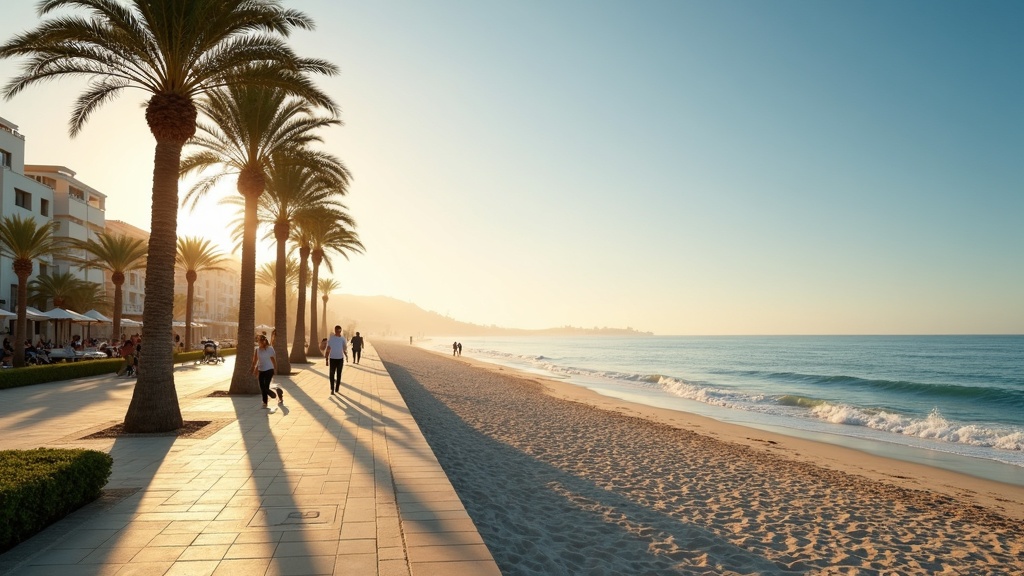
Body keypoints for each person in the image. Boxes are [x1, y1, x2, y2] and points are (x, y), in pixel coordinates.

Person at [251, 334, 278, 409]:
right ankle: (269, 395)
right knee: (262, 387)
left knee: (266, 386)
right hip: (261, 370)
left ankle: (265, 402)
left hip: (269, 369)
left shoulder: (270, 349)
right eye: (259, 342)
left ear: (265, 342)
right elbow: (255, 361)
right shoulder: (257, 350)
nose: (259, 343)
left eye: (261, 342)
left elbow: (273, 360)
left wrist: (275, 369)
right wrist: (254, 369)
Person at [324, 325, 348, 395]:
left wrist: (346, 355)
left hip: (340, 359)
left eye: (339, 331)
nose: (338, 332)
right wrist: (326, 359)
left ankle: (337, 388)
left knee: (339, 374)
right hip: (332, 359)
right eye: (337, 331)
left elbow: (344, 348)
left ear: (341, 331)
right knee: (331, 374)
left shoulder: (343, 339)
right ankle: (332, 388)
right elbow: (328, 349)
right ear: (335, 330)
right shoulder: (331, 339)